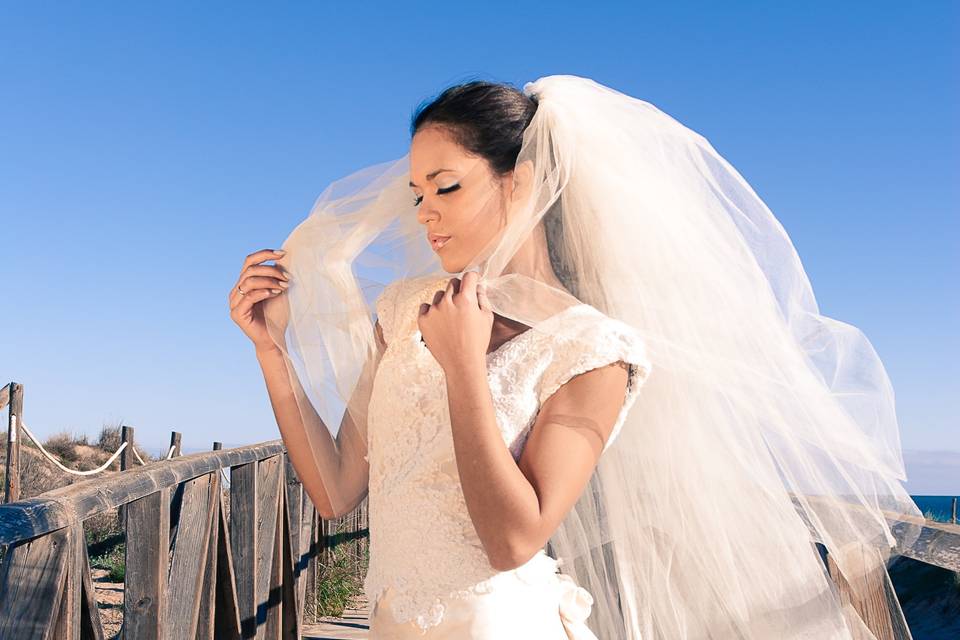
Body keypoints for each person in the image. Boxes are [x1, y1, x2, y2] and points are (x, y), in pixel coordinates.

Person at [230, 75, 922, 639]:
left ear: (521, 183)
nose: (424, 214)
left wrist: (465, 367)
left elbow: (515, 539)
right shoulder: (408, 308)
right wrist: (273, 352)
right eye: (417, 194)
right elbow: (336, 489)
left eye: (447, 187)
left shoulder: (594, 348)